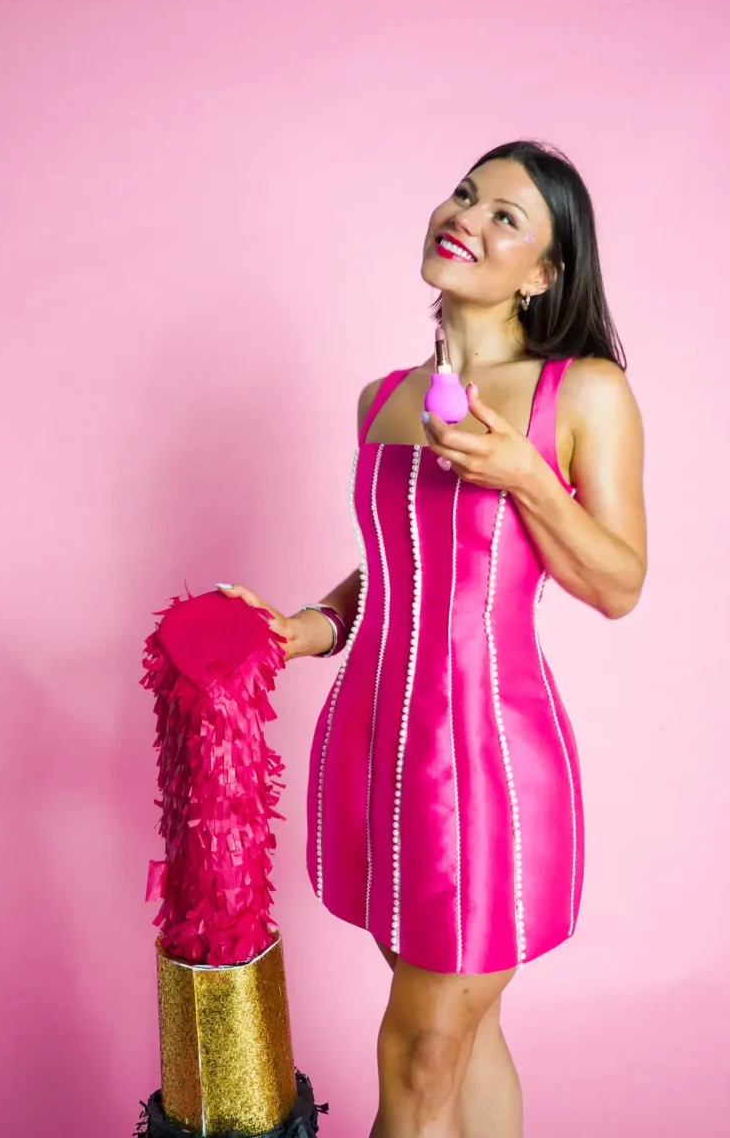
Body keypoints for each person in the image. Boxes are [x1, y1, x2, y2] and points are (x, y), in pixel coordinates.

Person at [220, 140, 647, 1138]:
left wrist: (526, 474)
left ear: (544, 272)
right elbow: (398, 565)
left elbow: (619, 583)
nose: (468, 216)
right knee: (462, 1036)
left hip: (487, 763)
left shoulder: (582, 390)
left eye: (508, 216)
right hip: (373, 748)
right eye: (465, 193)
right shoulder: (381, 400)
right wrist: (306, 626)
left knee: (419, 1053)